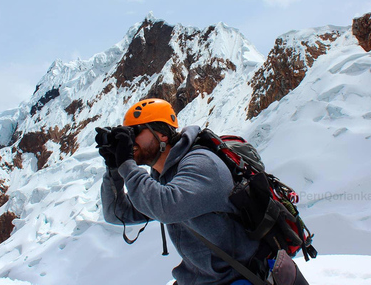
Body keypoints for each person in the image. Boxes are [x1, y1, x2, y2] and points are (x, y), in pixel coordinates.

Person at [97, 98, 261, 285]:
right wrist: (113, 169)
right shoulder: (163, 176)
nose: (130, 142)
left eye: (134, 133)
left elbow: (166, 207)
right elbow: (117, 213)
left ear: (162, 135)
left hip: (239, 278)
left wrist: (126, 163)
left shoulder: (201, 164)